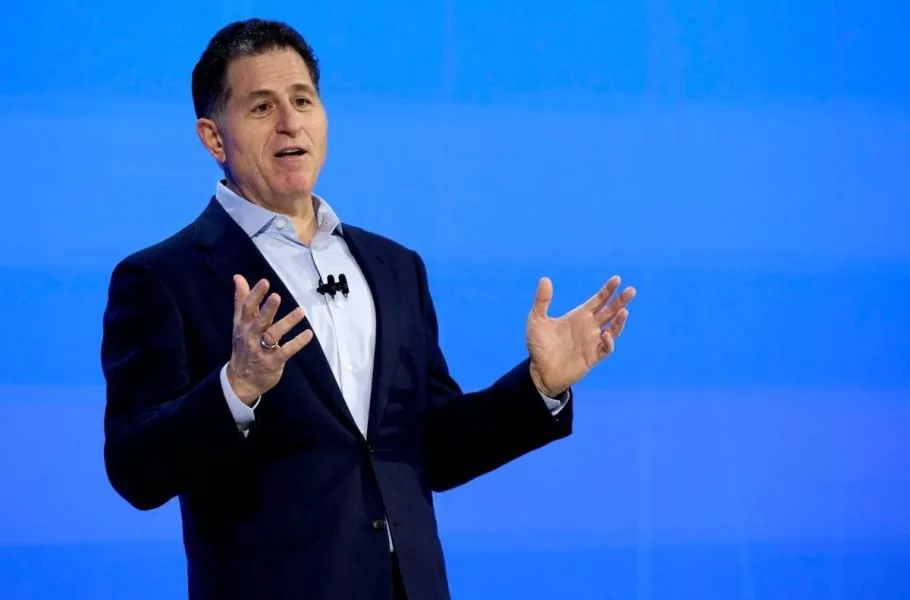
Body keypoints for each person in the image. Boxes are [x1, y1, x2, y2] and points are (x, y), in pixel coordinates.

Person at [100, 18, 635, 600]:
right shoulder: (163, 278)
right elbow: (136, 469)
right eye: (261, 107)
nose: (289, 122)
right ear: (213, 138)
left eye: (303, 100)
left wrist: (538, 387)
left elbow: (433, 448)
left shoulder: (394, 267)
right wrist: (237, 387)